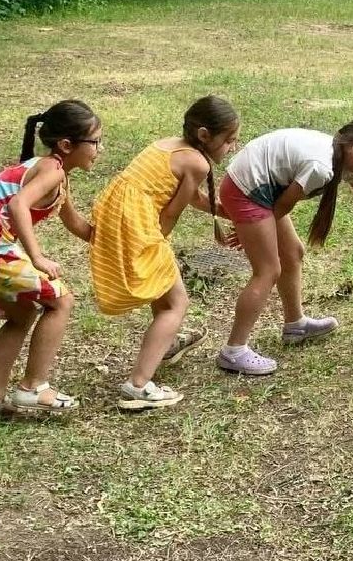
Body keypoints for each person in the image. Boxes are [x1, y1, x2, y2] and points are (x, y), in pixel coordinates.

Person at [0, 101, 99, 418]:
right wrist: (37, 256)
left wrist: (116, 241)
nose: (100, 148)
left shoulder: (54, 172)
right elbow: (17, 206)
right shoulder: (51, 170)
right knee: (62, 300)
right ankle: (33, 388)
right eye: (95, 142)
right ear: (67, 145)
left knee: (23, 312)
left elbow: (75, 223)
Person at [217, 119, 353, 375]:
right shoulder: (322, 166)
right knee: (268, 270)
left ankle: (295, 325)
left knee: (292, 252)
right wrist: (250, 228)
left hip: (263, 187)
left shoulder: (344, 159)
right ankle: (234, 351)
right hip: (247, 188)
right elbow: (283, 205)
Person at [89, 95, 241, 409]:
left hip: (119, 211)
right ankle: (138, 384)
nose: (232, 148)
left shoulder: (169, 145)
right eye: (229, 141)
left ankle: (167, 344)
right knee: (177, 302)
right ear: (204, 136)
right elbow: (173, 211)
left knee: (165, 291)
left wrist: (233, 213)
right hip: (137, 223)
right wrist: (156, 243)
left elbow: (194, 197)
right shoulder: (197, 163)